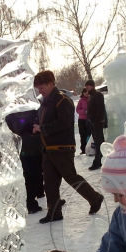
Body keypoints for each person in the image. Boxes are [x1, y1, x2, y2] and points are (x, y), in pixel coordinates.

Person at [33, 71, 103, 224]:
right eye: (38, 88)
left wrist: (42, 128)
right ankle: (54, 211)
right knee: (49, 182)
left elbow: (63, 123)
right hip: (48, 148)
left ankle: (95, 198)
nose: (40, 90)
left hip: (62, 147)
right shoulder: (45, 103)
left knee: (71, 177)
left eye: (42, 86)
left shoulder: (62, 100)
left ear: (51, 83)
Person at [6, 108, 45, 215]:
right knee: (32, 175)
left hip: (28, 147)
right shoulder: (29, 109)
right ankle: (31, 202)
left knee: (32, 175)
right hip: (29, 147)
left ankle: (34, 198)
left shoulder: (13, 111)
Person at [85, 80, 106, 171]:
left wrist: (98, 120)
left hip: (97, 122)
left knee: (98, 142)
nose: (86, 88)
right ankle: (100, 160)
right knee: (98, 141)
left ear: (92, 86)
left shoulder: (98, 95)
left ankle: (98, 161)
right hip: (92, 122)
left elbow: (100, 109)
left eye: (88, 86)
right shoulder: (91, 96)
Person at [76, 88, 90, 155]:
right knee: (83, 135)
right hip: (82, 120)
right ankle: (83, 149)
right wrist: (84, 112)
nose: (86, 93)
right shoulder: (81, 100)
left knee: (89, 135)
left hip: (89, 120)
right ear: (83, 93)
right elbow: (77, 110)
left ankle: (90, 148)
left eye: (87, 92)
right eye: (85, 92)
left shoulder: (91, 99)